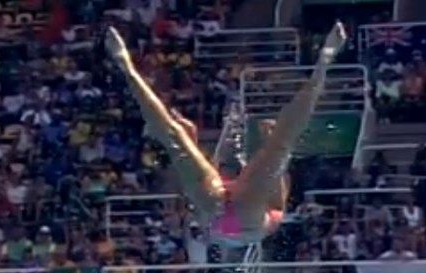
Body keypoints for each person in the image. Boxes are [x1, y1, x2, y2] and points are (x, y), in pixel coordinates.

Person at [105, 23, 348, 247]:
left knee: (176, 136)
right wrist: (271, 143)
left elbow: (195, 188)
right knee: (279, 143)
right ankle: (323, 64)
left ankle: (126, 66)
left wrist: (192, 141)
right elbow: (274, 174)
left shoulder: (248, 194)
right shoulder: (270, 206)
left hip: (225, 221)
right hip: (235, 222)